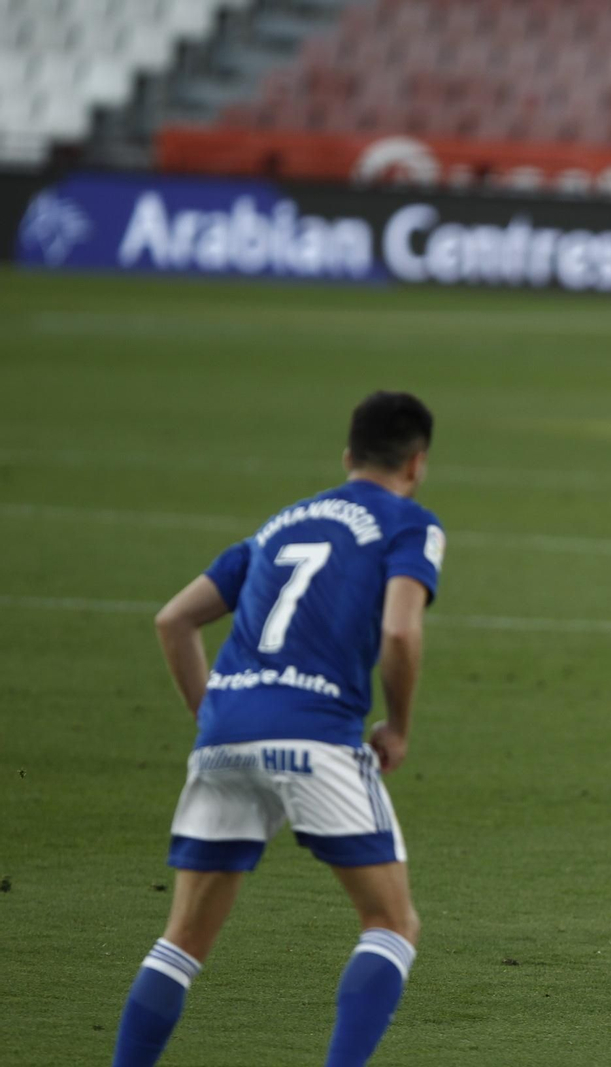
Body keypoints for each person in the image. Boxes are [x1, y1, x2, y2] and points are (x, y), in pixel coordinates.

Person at [111, 392, 444, 1067]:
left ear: (347, 456)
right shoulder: (410, 523)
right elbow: (401, 630)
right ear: (417, 462)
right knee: (391, 923)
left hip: (224, 735)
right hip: (316, 735)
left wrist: (215, 718)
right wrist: (399, 727)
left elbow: (172, 619)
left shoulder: (279, 524)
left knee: (180, 941)